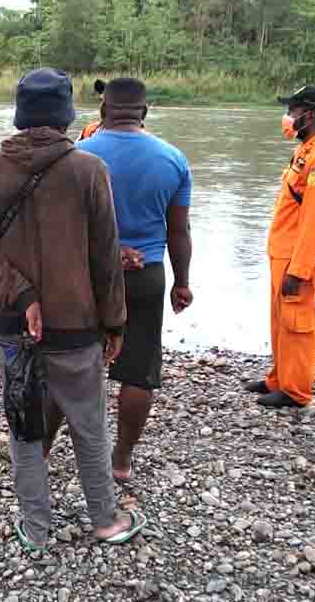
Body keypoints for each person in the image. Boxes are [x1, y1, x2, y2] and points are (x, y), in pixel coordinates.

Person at [0, 67, 147, 550]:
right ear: (67, 114)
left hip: (9, 324)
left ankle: (37, 528)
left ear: (20, 113)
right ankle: (106, 521)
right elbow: (105, 256)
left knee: (24, 425)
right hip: (75, 324)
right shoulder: (88, 170)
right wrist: (116, 322)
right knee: (88, 425)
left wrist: (20, 294)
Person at [75, 77, 193, 483]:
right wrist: (183, 282)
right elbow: (178, 230)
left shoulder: (79, 155)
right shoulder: (173, 158)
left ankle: (57, 450)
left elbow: (65, 226)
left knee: (75, 362)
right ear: (145, 112)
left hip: (88, 275)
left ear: (103, 110)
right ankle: (121, 460)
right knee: (138, 370)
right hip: (147, 274)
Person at [245, 85, 315, 409]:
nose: (288, 117)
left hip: (300, 260)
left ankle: (297, 391)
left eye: (293, 111)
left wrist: (299, 269)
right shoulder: (307, 150)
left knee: (297, 324)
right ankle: (279, 379)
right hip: (284, 252)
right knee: (280, 320)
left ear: (309, 115)